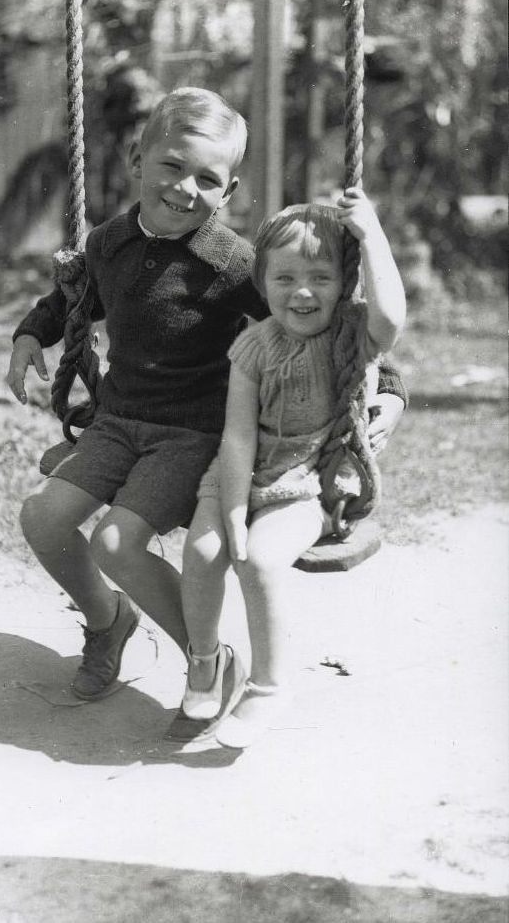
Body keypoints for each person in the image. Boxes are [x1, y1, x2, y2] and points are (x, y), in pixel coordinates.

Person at [6, 87, 407, 729]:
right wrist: (32, 333)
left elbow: (319, 323)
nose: (185, 188)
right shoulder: (109, 242)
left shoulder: (234, 265)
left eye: (208, 178)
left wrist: (387, 388)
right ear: (139, 159)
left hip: (192, 433)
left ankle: (211, 658)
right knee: (44, 519)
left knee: (116, 540)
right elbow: (75, 296)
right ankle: (109, 622)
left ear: (230, 189)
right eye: (172, 165)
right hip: (116, 421)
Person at [179, 193, 406, 749]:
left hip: (311, 479)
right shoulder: (253, 347)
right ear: (262, 282)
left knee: (259, 559)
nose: (302, 293)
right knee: (204, 551)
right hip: (244, 471)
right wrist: (231, 506)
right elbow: (237, 435)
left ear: (344, 282)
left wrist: (372, 233)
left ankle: (269, 686)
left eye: (321, 278)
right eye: (284, 278)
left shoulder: (351, 332)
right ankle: (205, 659)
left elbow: (392, 315)